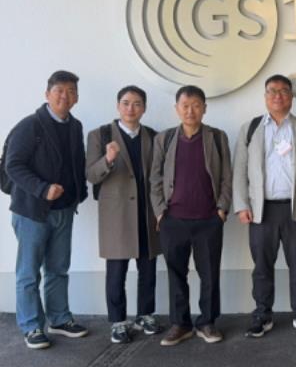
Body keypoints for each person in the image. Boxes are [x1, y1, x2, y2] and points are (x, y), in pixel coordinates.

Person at [233, 74, 296, 337]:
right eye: (272, 91)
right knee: (262, 266)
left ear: (291, 97)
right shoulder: (251, 128)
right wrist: (241, 205)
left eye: (283, 91)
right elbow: (239, 170)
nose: (278, 95)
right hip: (261, 210)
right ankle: (262, 315)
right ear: (265, 96)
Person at [6, 70, 89, 349]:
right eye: (59, 90)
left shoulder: (75, 126)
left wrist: (79, 194)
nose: (65, 96)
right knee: (29, 272)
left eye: (71, 91)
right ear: (47, 94)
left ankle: (59, 319)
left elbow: (78, 162)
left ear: (76, 98)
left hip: (64, 210)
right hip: (32, 211)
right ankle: (31, 326)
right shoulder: (29, 125)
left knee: (58, 269)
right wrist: (42, 189)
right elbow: (13, 165)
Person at [150, 85, 232, 346]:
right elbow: (155, 178)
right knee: (176, 274)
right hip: (173, 219)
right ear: (176, 109)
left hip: (208, 219)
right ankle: (180, 324)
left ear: (204, 108)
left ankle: (207, 322)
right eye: (185, 106)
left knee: (209, 274)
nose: (190, 111)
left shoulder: (217, 137)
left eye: (196, 105)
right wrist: (160, 211)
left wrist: (222, 209)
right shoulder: (164, 139)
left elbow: (227, 176)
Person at [86, 85, 162, 343]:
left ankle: (145, 314)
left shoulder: (153, 136)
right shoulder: (100, 135)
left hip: (147, 211)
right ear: (118, 106)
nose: (131, 108)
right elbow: (91, 174)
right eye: (126, 103)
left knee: (148, 268)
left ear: (144, 108)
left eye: (137, 103)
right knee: (116, 271)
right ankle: (118, 321)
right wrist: (108, 159)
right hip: (116, 214)